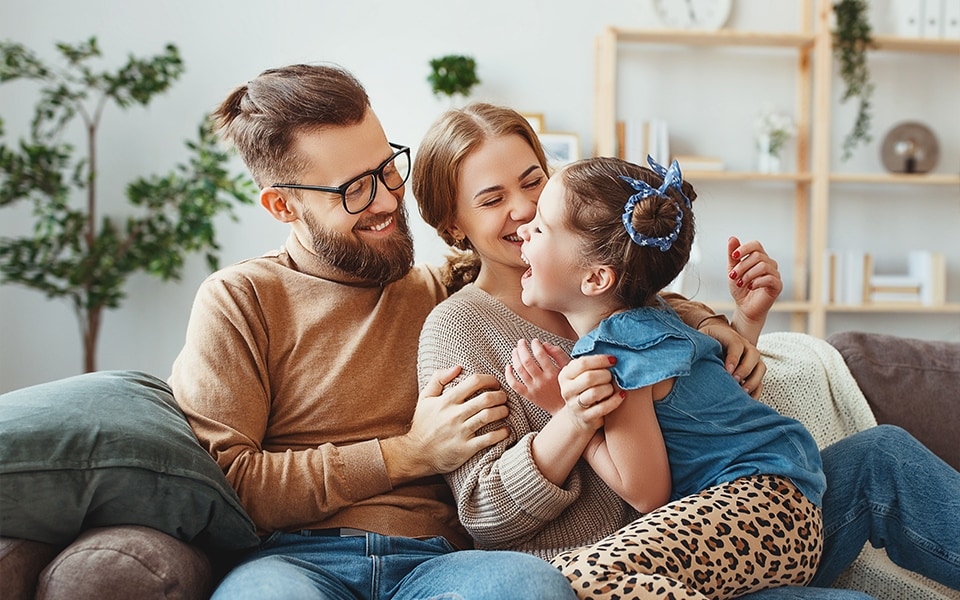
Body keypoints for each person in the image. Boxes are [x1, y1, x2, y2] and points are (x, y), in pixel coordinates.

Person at [413, 102, 960, 599]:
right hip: (616, 571)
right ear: (452, 226)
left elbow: (705, 407)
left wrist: (744, 322)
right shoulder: (458, 329)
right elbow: (484, 514)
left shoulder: (625, 297)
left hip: (729, 526)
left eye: (534, 181)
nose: (525, 209)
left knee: (881, 453)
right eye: (492, 200)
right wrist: (572, 419)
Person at [166, 63, 578, 600]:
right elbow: (230, 483)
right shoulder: (241, 301)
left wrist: (711, 320)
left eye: (387, 169)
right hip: (291, 561)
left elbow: (588, 283)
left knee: (531, 589)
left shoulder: (443, 292)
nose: (387, 200)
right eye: (354, 189)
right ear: (282, 204)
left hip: (437, 561)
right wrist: (408, 453)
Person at [514, 154, 826, 598]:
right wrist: (744, 323)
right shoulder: (655, 315)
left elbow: (646, 493)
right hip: (783, 507)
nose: (525, 228)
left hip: (762, 509)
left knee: (575, 579)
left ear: (597, 277)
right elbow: (712, 404)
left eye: (541, 227)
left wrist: (566, 411)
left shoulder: (619, 347)